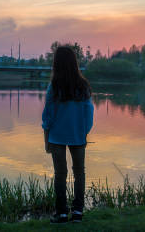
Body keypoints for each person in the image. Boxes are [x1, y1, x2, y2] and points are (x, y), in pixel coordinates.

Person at [42, 46, 94, 224]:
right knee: (79, 173)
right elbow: (89, 112)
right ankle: (78, 212)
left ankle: (62, 213)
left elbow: (48, 115)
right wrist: (84, 132)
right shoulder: (83, 85)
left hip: (56, 136)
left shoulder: (54, 86)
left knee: (60, 174)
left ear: (56, 63)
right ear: (74, 62)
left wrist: (46, 138)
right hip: (78, 136)